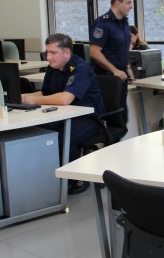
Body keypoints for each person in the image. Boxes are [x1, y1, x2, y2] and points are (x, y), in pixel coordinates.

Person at [22, 33, 105, 194]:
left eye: (53, 53)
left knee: (62, 137)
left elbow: (65, 99)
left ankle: (78, 179)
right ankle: (47, 175)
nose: (48, 57)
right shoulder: (53, 68)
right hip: (64, 115)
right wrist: (25, 97)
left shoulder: (80, 69)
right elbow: (46, 93)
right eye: (47, 52)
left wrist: (34, 100)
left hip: (89, 118)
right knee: (40, 131)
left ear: (67, 52)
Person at [89, 0, 134, 121]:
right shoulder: (103, 23)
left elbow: (122, 48)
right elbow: (94, 52)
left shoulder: (124, 22)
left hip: (121, 76)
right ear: (117, 3)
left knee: (122, 117)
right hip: (107, 77)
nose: (131, 6)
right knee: (114, 119)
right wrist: (114, 70)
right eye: (128, 3)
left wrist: (127, 67)